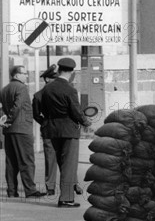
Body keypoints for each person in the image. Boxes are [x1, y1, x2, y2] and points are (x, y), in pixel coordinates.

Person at [40, 58, 91, 207]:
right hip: (69, 130)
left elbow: (43, 109)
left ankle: (65, 195)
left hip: (53, 129)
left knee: (62, 163)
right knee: (69, 165)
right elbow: (75, 111)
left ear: (59, 70)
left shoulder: (47, 88)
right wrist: (86, 122)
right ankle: (66, 199)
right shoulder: (70, 89)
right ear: (72, 72)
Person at [1, 66, 46, 198]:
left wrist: (5, 122)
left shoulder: (4, 89)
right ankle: (30, 190)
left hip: (9, 131)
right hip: (22, 129)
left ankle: (11, 191)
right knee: (27, 160)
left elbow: (3, 108)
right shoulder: (21, 88)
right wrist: (9, 119)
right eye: (23, 73)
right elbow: (17, 106)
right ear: (16, 75)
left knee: (11, 162)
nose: (26, 76)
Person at [32, 65, 59, 196]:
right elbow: (36, 114)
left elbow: (36, 115)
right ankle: (51, 187)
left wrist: (44, 123)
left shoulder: (38, 95)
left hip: (49, 128)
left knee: (53, 158)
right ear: (47, 79)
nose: (56, 80)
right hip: (54, 129)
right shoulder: (39, 95)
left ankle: (52, 186)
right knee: (51, 158)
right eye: (54, 78)